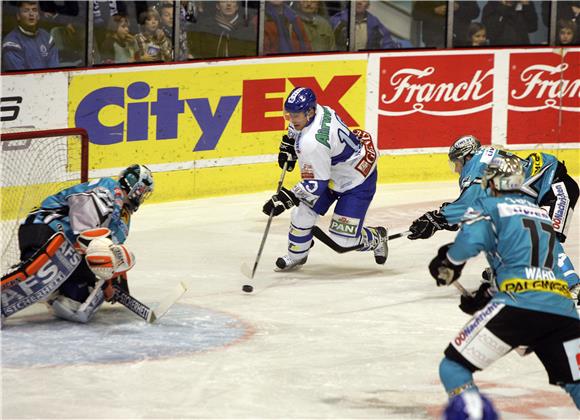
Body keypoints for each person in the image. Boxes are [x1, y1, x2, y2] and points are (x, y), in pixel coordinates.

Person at [428, 154, 580, 410]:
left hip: (518, 307)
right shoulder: (541, 214)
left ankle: (475, 415)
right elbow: (544, 268)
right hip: (563, 309)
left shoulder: (490, 206)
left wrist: (448, 263)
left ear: (492, 181)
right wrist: (487, 293)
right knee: (576, 383)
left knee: (453, 367)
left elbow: (468, 245)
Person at [407, 135, 580, 294]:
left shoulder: (477, 163)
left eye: (457, 163)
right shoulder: (486, 159)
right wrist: (442, 220)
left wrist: (437, 218)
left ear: (466, 156)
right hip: (543, 192)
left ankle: (572, 284)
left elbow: (469, 204)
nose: (457, 169)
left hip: (555, 189)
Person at [262, 87, 387, 271]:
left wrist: (287, 198)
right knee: (302, 214)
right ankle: (297, 255)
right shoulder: (320, 110)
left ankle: (377, 237)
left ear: (310, 112)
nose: (291, 119)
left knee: (342, 241)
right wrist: (290, 143)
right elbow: (299, 134)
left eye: (296, 115)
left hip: (356, 180)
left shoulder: (313, 143)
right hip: (335, 171)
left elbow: (316, 184)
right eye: (289, 114)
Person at [12, 164, 154, 323]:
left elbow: (110, 249)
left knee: (76, 302)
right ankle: (32, 274)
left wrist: (115, 281)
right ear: (136, 188)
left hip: (69, 251)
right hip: (44, 230)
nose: (142, 197)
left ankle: (54, 289)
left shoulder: (124, 217)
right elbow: (86, 235)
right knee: (38, 283)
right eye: (144, 192)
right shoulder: (107, 189)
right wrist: (106, 278)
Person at [2, 1, 59, 71]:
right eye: (26, 11)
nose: (31, 14)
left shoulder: (47, 38)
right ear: (18, 16)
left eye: (34, 10)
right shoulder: (11, 43)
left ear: (38, 16)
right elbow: (19, 78)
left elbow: (54, 71)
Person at [189, 0, 257, 59]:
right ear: (218, 6)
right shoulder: (204, 27)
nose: (228, 4)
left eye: (233, 1)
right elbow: (196, 53)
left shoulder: (247, 28)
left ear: (237, 6)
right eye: (224, 1)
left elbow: (251, 54)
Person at [330, 0, 400, 50]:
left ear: (368, 6)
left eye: (363, 0)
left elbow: (387, 42)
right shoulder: (336, 21)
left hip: (365, 62)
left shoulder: (374, 23)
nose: (359, 2)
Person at [412, 1, 480, 48]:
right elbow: (416, 13)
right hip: (434, 42)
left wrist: (459, 7)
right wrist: (434, 10)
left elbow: (475, 12)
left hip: (461, 41)